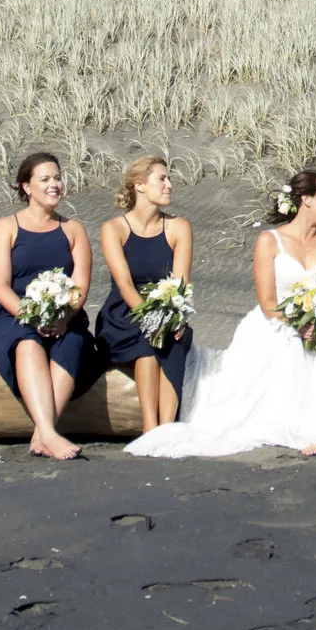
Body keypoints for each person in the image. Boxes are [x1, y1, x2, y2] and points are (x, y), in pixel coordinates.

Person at [126, 168, 316, 458]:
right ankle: (294, 430)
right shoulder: (269, 241)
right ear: (307, 200)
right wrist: (298, 325)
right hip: (276, 322)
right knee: (287, 342)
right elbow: (268, 302)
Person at [0, 152, 97, 461]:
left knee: (72, 344)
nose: (53, 184)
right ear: (27, 187)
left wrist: (65, 316)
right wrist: (31, 317)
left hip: (64, 318)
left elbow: (80, 287)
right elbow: (1, 286)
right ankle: (49, 433)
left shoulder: (73, 229)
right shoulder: (7, 227)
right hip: (10, 316)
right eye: (44, 179)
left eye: (57, 178)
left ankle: (41, 434)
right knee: (27, 343)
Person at [97, 155, 195, 436]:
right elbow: (125, 285)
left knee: (176, 339)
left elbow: (180, 284)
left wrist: (173, 318)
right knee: (147, 343)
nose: (169, 185)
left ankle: (168, 429)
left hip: (166, 308)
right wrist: (152, 320)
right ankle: (150, 428)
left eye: (169, 178)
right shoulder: (114, 229)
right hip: (124, 313)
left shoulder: (179, 227)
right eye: (162, 179)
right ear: (139, 185)